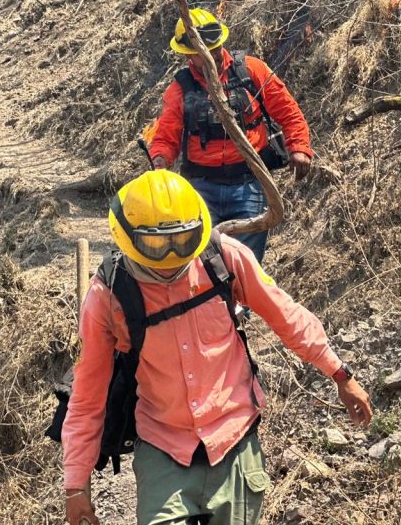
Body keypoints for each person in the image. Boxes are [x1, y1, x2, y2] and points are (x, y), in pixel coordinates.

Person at [63, 170, 372, 525]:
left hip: (234, 438)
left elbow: (286, 315)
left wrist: (339, 373)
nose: (173, 255)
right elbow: (87, 397)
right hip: (164, 446)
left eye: (183, 239)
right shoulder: (108, 295)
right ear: (128, 238)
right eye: (156, 244)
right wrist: (76, 487)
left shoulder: (222, 260)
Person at [149, 8, 314, 263]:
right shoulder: (180, 89)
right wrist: (159, 163)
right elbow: (165, 137)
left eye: (215, 48)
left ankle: (241, 303)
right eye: (204, 52)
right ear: (188, 56)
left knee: (244, 262)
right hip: (201, 187)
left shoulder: (251, 71)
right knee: (203, 263)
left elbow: (288, 112)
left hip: (250, 182)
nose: (213, 55)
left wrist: (300, 147)